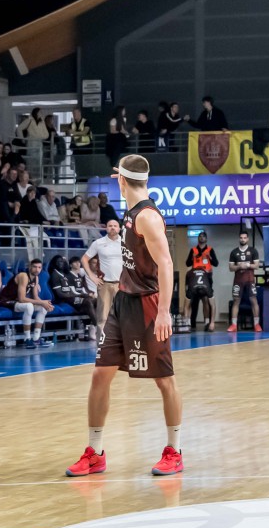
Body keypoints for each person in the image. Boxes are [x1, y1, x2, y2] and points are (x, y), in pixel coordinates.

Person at [65, 154, 181, 480]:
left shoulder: (147, 217)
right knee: (100, 375)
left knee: (164, 380)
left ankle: (174, 451)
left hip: (148, 304)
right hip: (122, 303)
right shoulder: (129, 211)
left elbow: (167, 264)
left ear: (121, 181)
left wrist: (164, 312)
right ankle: (95, 453)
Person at [83, 219, 125, 341]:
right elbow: (84, 259)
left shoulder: (125, 243)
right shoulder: (98, 243)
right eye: (110, 225)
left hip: (121, 285)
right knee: (102, 317)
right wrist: (92, 276)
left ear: (119, 228)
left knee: (122, 316)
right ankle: (101, 346)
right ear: (106, 228)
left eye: (115, 226)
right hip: (105, 284)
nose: (112, 228)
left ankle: (121, 343)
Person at [184, 232, 218, 332]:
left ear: (206, 239)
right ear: (198, 238)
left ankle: (207, 323)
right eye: (200, 236)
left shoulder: (210, 250)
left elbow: (216, 263)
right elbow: (187, 263)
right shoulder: (193, 250)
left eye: (203, 236)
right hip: (194, 278)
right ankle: (190, 323)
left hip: (207, 278)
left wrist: (210, 257)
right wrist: (192, 257)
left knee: (206, 300)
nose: (202, 238)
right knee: (192, 301)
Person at [227, 230, 261, 333]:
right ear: (239, 238)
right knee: (236, 301)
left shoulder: (253, 251)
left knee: (253, 300)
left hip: (250, 280)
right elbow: (231, 268)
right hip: (238, 280)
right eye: (241, 238)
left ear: (248, 239)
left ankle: (256, 324)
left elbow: (257, 266)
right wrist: (239, 266)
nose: (243, 239)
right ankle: (234, 325)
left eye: (245, 238)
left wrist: (247, 265)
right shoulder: (234, 252)